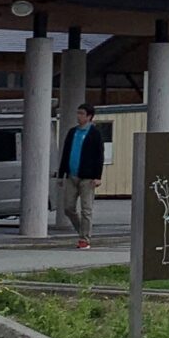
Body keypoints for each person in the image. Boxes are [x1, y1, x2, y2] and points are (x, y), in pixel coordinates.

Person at [55, 104, 107, 249]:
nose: (78, 116)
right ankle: (82, 231)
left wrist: (98, 176)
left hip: (88, 177)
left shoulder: (95, 133)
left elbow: (99, 156)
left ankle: (85, 238)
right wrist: (61, 174)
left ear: (89, 116)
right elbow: (65, 152)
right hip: (72, 175)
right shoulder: (72, 132)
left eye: (81, 113)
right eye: (78, 113)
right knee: (68, 207)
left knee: (86, 208)